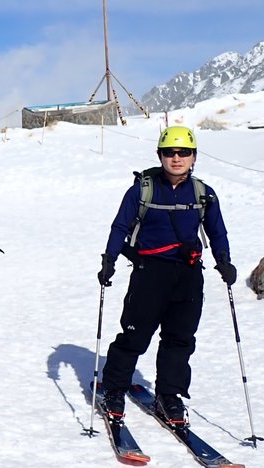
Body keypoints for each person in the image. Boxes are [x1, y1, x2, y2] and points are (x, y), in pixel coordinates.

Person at [96, 126, 233, 426]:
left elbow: (217, 230)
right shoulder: (142, 190)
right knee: (135, 335)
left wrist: (223, 260)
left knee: (180, 338)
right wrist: (109, 259)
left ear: (194, 157)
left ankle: (169, 395)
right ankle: (113, 389)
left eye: (183, 152)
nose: (176, 158)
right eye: (169, 152)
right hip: (149, 273)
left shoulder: (203, 194)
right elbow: (120, 226)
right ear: (160, 155)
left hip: (188, 274)